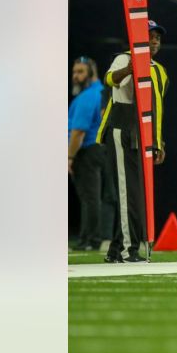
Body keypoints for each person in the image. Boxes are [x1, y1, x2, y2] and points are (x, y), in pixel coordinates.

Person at [96, 21, 169, 263]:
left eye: (158, 37)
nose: (155, 40)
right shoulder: (124, 59)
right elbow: (109, 79)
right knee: (129, 193)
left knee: (136, 194)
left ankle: (117, 249)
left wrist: (158, 142)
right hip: (123, 128)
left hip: (143, 134)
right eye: (150, 36)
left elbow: (155, 109)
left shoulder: (158, 69)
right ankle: (129, 249)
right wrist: (129, 69)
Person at [69, 56, 106, 251]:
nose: (75, 76)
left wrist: (69, 157)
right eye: (74, 72)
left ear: (91, 73)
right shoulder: (100, 92)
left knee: (89, 197)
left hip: (86, 151)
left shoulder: (87, 97)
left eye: (80, 72)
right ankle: (89, 239)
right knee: (91, 197)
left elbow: (78, 132)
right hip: (97, 149)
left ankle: (91, 240)